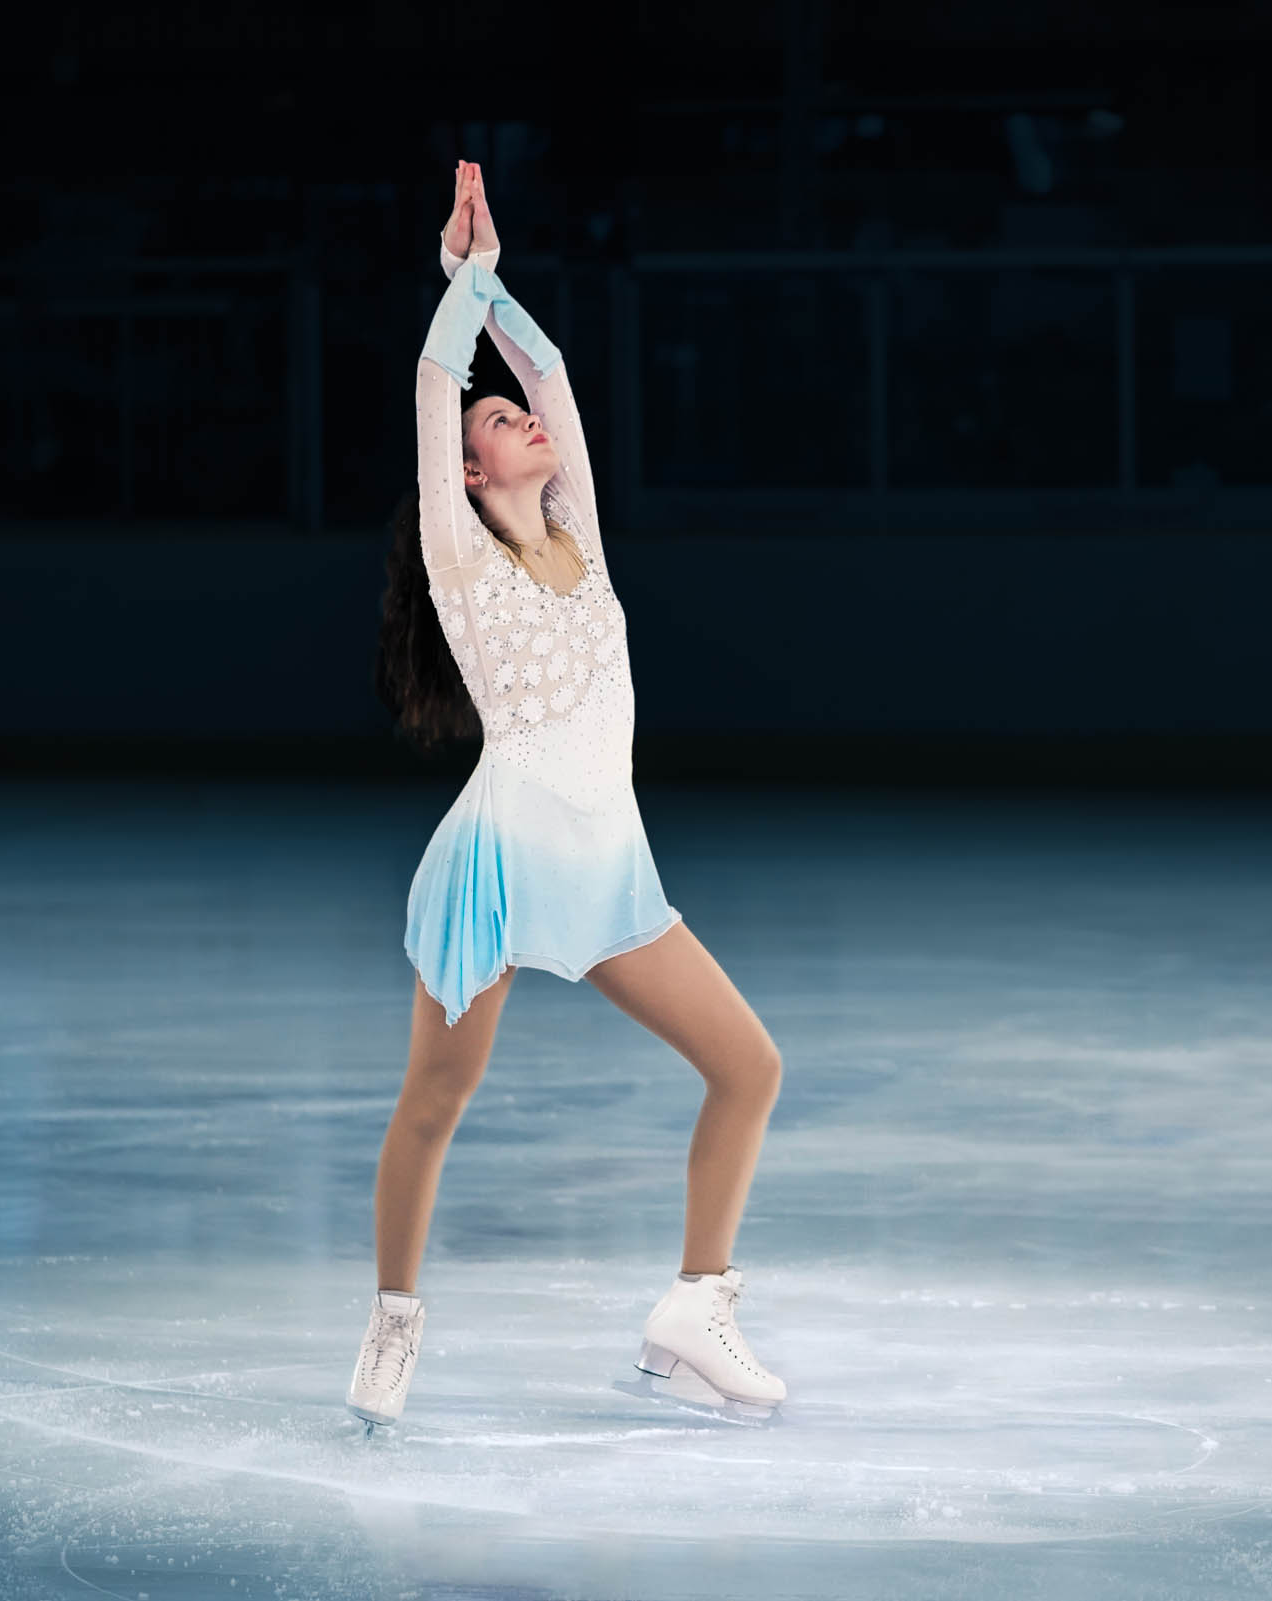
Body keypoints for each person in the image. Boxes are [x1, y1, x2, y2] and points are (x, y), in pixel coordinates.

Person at [354, 161, 787, 1427]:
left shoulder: (581, 536)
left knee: (748, 1065)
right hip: (498, 865)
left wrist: (495, 285)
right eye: (495, 428)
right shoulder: (461, 562)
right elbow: (441, 389)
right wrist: (455, 289)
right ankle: (393, 1318)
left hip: (610, 868)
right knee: (437, 1098)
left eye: (511, 416)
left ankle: (695, 1304)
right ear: (474, 477)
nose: (514, 420)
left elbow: (546, 378)